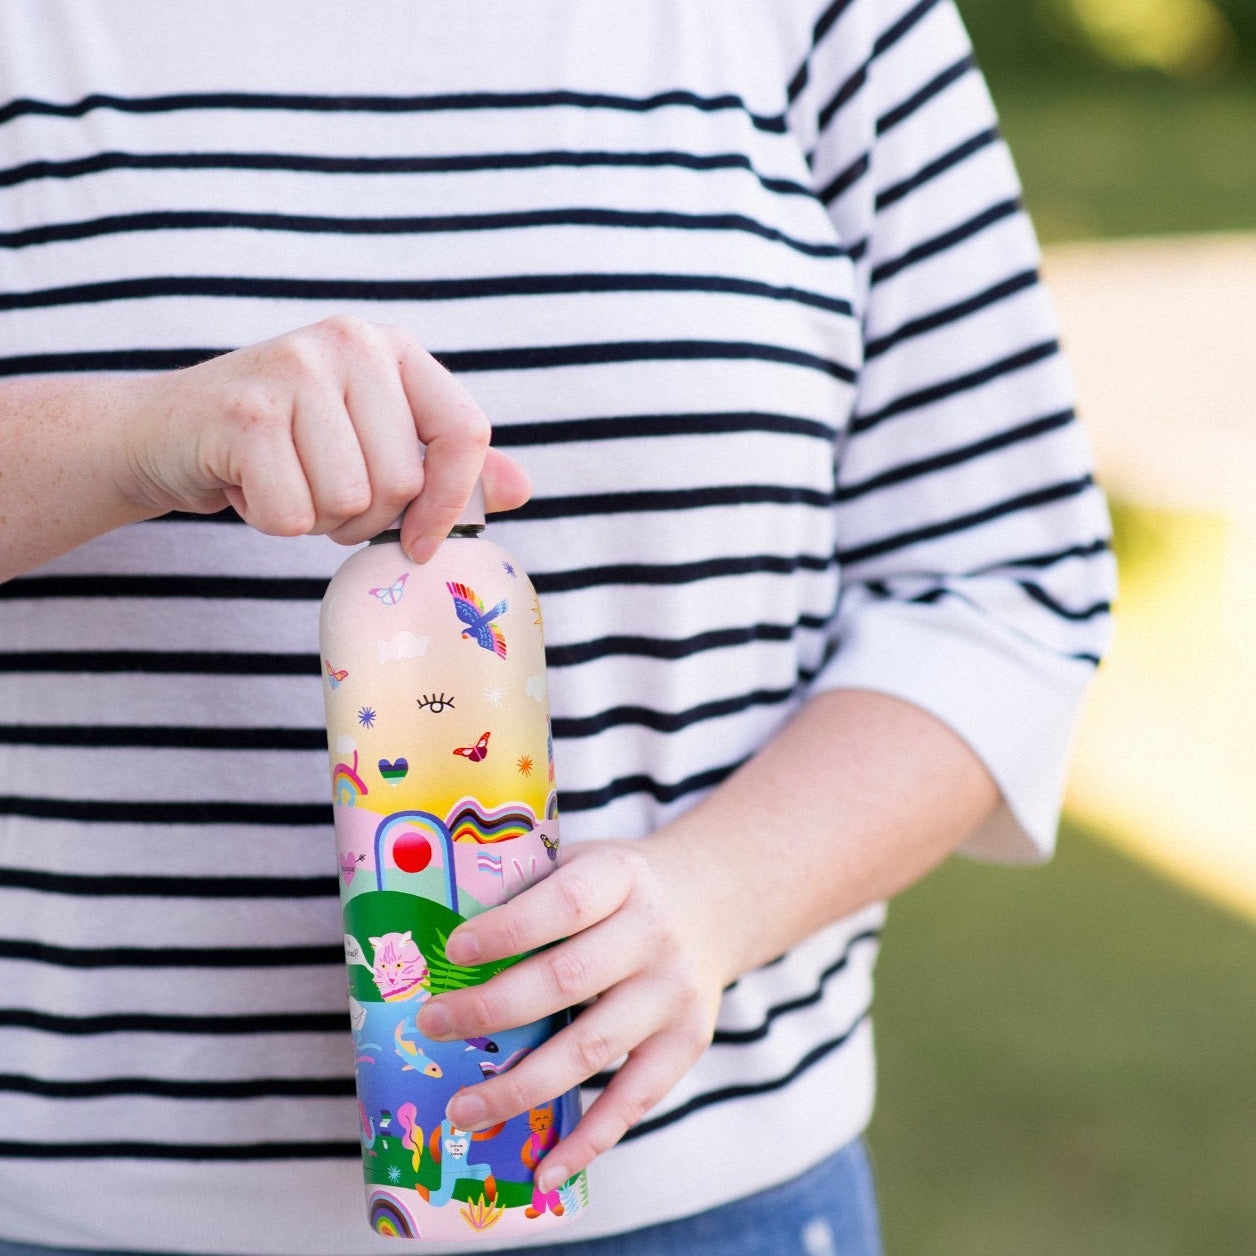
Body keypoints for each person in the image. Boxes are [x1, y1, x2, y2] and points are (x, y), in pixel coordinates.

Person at [0, 1, 1115, 1253]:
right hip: (66, 1213)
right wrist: (117, 445)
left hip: (697, 1203)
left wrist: (718, 894)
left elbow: (1006, 582)